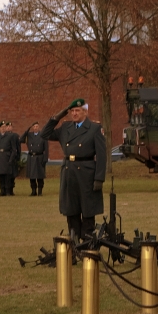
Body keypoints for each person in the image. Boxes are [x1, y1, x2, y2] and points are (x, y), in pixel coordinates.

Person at [41, 98, 106, 240]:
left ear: (85, 112)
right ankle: (74, 245)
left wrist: (99, 178)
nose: (74, 114)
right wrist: (57, 117)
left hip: (86, 173)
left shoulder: (94, 128)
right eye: (72, 111)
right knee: (71, 210)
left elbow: (102, 155)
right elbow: (44, 134)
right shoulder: (66, 127)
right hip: (69, 173)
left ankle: (88, 247)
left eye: (78, 111)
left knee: (88, 211)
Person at [21, 121, 49, 196]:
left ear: (39, 127)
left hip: (40, 157)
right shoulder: (29, 135)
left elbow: (46, 148)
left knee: (40, 176)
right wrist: (26, 131)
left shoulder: (42, 135)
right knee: (32, 176)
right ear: (32, 128)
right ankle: (33, 191)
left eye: (37, 126)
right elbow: (21, 140)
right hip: (31, 157)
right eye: (34, 126)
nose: (36, 128)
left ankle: (40, 191)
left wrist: (45, 159)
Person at [0, 120, 18, 196]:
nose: (3, 128)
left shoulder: (10, 136)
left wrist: (10, 159)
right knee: (0, 176)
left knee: (7, 176)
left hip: (7, 157)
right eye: (2, 127)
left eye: (4, 127)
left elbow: (14, 149)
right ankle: (2, 190)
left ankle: (7, 191)